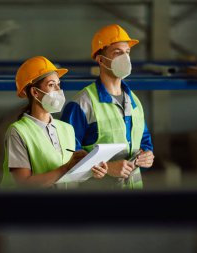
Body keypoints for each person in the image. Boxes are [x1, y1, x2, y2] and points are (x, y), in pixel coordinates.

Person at [61, 24, 154, 189]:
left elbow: (144, 139)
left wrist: (147, 154)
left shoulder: (134, 101)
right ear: (101, 60)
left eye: (127, 52)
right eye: (117, 53)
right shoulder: (81, 104)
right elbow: (67, 156)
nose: (125, 57)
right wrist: (109, 168)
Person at [0, 56, 108, 188]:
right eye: (51, 85)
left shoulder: (67, 128)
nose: (58, 90)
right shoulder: (18, 131)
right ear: (35, 92)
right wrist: (65, 168)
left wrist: (90, 170)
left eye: (59, 84)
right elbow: (24, 184)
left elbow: (70, 176)